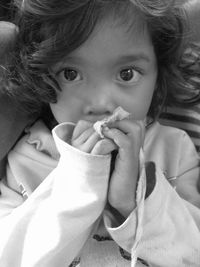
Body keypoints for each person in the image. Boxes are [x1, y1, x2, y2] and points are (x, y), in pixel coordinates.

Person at [0, 0, 200, 266]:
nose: (101, 103)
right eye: (70, 74)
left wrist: (135, 201)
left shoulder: (174, 149)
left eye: (127, 74)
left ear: (158, 75)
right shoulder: (28, 158)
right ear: (41, 75)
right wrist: (80, 181)